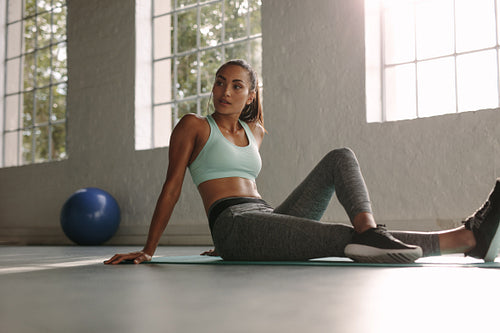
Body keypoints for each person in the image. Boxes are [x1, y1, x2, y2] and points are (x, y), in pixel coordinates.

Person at [105, 59, 500, 265]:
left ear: (251, 93)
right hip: (233, 225)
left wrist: (265, 228)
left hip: (264, 215)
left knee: (340, 157)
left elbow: (259, 112)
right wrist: (148, 249)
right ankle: (465, 239)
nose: (225, 91)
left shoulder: (254, 132)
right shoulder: (193, 125)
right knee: (340, 240)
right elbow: (172, 186)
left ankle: (370, 230)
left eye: (237, 85)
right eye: (219, 82)